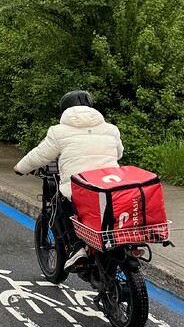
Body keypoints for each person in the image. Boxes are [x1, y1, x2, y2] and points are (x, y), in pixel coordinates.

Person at [13, 90, 123, 271]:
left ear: (65, 109)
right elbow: (119, 153)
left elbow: (39, 156)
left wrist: (20, 168)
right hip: (110, 185)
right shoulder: (111, 129)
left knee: (61, 203)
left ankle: (77, 247)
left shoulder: (59, 132)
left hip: (80, 187)